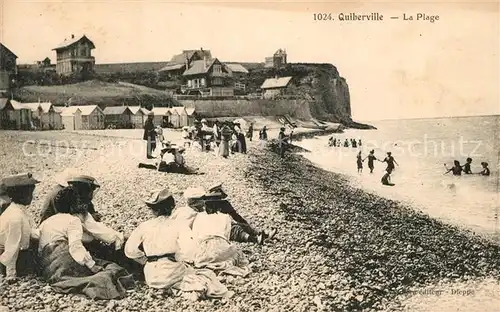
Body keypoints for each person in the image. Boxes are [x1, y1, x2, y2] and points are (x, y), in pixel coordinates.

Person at [125, 189, 232, 298]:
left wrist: (144, 260)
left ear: (153, 210)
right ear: (172, 207)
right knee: (206, 275)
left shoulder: (144, 226)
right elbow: (191, 250)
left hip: (151, 276)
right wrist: (180, 258)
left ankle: (161, 289)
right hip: (172, 273)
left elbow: (129, 250)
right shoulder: (179, 225)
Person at [38, 186, 134, 299]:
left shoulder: (47, 222)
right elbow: (75, 247)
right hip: (64, 259)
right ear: (73, 205)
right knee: (110, 269)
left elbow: (40, 244)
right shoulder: (73, 220)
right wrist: (92, 265)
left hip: (47, 264)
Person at [0, 173, 40, 281]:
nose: (31, 197)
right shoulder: (15, 217)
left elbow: (29, 231)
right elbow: (12, 246)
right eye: (29, 194)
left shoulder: (19, 210)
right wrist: (11, 274)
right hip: (14, 258)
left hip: (20, 252)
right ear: (20, 195)